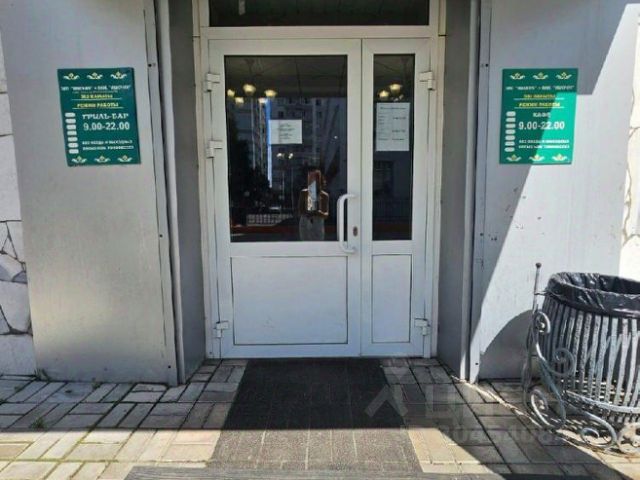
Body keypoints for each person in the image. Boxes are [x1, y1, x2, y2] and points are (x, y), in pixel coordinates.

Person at [298, 169, 329, 241]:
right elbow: (300, 210)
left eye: (313, 178)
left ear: (319, 181)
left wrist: (317, 212)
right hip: (305, 222)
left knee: (317, 244)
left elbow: (326, 215)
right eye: (309, 178)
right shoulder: (304, 193)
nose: (311, 181)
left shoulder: (324, 195)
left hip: (318, 224)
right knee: (305, 244)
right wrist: (308, 211)